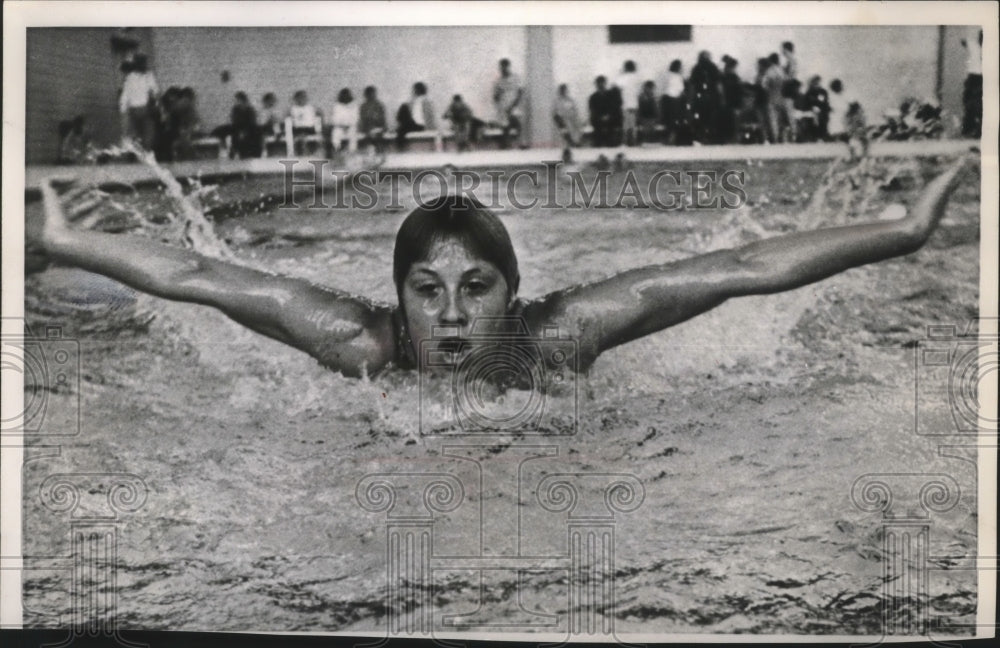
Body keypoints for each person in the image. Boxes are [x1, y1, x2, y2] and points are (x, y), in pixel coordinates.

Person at [35, 154, 973, 383]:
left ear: (513, 294)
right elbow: (195, 275)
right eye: (426, 291)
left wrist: (902, 231)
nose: (449, 318)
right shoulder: (358, 340)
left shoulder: (559, 336)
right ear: (396, 298)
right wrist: (66, 242)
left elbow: (740, 265)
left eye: (475, 289)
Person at [118, 54, 159, 150]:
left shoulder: (134, 77)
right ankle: (142, 150)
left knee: (143, 133)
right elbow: (155, 91)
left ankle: (143, 150)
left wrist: (123, 110)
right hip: (140, 109)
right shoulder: (141, 76)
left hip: (140, 109)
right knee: (143, 133)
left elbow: (125, 97)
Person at [688, 51, 723, 145]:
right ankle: (705, 136)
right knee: (705, 117)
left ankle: (705, 136)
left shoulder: (698, 68)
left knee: (706, 118)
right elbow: (718, 84)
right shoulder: (707, 67)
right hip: (706, 96)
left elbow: (693, 85)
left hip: (706, 96)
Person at [493, 59, 527, 149]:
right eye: (501, 67)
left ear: (508, 67)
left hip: (514, 105)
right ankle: (506, 144)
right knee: (505, 126)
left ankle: (521, 143)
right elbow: (495, 96)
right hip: (503, 107)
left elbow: (520, 92)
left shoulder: (516, 78)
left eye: (504, 67)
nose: (503, 69)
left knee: (518, 124)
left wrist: (515, 105)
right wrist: (497, 98)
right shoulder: (499, 81)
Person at [396, 82, 436, 151]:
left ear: (417, 90)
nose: (413, 91)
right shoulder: (414, 101)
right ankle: (400, 131)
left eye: (414, 90)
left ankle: (400, 147)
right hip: (415, 123)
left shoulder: (425, 101)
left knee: (402, 129)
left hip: (420, 125)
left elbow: (429, 117)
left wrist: (429, 128)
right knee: (403, 107)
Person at [761, 53, 789, 143]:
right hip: (782, 97)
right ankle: (784, 138)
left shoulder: (769, 71)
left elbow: (764, 85)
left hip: (771, 97)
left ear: (770, 61)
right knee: (782, 119)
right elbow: (787, 82)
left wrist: (769, 90)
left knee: (773, 120)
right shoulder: (782, 71)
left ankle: (775, 139)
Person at [961, 29, 983, 139]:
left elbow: (964, 41)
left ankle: (975, 129)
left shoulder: (975, 47)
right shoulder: (975, 46)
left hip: (979, 77)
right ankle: (970, 128)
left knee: (976, 105)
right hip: (975, 77)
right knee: (970, 104)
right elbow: (964, 41)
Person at [660, 59, 688, 145]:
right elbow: (681, 90)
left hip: (666, 99)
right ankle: (673, 139)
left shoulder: (666, 75)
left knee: (668, 120)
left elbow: (663, 87)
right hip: (675, 100)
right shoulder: (678, 77)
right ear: (678, 67)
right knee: (674, 120)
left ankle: (668, 138)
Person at [614, 60, 642, 146]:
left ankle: (625, 142)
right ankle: (633, 142)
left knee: (626, 125)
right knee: (633, 125)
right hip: (634, 103)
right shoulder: (637, 77)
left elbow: (616, 87)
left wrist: (621, 73)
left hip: (625, 104)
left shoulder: (623, 77)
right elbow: (639, 90)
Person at [288, 90, 321, 155]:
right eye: (299, 98)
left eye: (303, 98)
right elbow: (290, 118)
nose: (302, 100)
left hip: (309, 128)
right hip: (298, 128)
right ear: (296, 99)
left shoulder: (310, 107)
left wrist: (318, 114)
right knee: (300, 135)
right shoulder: (294, 108)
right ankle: (302, 151)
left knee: (317, 134)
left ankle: (313, 151)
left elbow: (318, 114)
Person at [228, 92, 261, 159]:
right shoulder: (235, 110)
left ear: (241, 100)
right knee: (236, 141)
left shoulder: (249, 110)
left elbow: (252, 123)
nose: (235, 102)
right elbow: (234, 122)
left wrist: (244, 132)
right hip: (238, 132)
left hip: (249, 133)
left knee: (247, 147)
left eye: (236, 100)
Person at [588, 76, 618, 147]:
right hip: (598, 119)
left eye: (602, 83)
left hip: (610, 118)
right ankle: (597, 145)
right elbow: (592, 109)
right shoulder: (593, 97)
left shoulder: (611, 94)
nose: (601, 85)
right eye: (599, 83)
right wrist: (600, 117)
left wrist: (608, 116)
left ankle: (611, 145)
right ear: (596, 84)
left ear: (605, 83)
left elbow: (613, 107)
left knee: (611, 132)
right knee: (597, 132)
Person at [719, 55, 744, 144]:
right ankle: (735, 138)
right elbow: (739, 90)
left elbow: (721, 90)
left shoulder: (723, 76)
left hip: (728, 102)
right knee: (735, 120)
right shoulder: (734, 77)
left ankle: (730, 138)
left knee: (729, 121)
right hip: (735, 102)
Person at [358, 86, 388, 154]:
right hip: (367, 128)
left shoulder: (379, 105)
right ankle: (372, 152)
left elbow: (382, 118)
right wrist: (371, 118)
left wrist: (375, 119)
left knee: (377, 134)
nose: (372, 95)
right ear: (366, 95)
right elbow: (363, 119)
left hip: (379, 127)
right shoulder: (363, 106)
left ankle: (379, 151)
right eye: (370, 94)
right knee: (370, 135)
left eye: (373, 93)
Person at [330, 88, 359, 155]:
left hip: (350, 127)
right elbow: (334, 119)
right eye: (344, 95)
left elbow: (355, 118)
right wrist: (342, 126)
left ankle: (352, 152)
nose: (345, 97)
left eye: (347, 95)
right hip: (339, 127)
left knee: (353, 134)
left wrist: (348, 125)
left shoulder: (354, 105)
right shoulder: (337, 106)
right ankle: (337, 151)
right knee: (335, 133)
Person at [801, 76, 830, 141]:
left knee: (822, 118)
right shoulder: (809, 92)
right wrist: (812, 107)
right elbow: (806, 103)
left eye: (818, 82)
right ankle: (813, 135)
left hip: (822, 110)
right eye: (815, 83)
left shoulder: (823, 91)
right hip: (810, 110)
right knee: (812, 118)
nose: (816, 84)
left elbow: (825, 102)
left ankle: (822, 135)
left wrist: (819, 108)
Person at [636, 81, 659, 145]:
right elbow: (640, 107)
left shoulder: (652, 96)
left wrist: (656, 115)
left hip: (651, 116)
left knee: (651, 129)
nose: (651, 90)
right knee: (646, 129)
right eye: (651, 88)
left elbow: (655, 107)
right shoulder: (642, 96)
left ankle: (650, 140)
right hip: (645, 116)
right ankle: (646, 140)